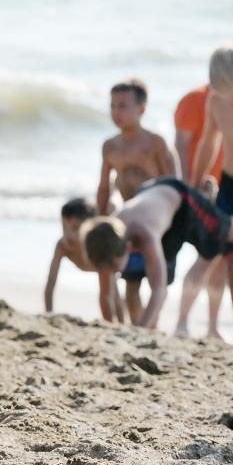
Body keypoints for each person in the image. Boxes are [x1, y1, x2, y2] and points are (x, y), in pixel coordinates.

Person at [82, 177, 233, 328]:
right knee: (162, 257)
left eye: (115, 268)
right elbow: (106, 294)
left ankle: (202, 199)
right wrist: (110, 325)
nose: (112, 272)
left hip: (179, 197)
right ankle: (204, 197)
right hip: (149, 196)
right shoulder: (104, 237)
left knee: (228, 233)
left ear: (129, 246)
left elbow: (159, 290)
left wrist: (139, 330)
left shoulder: (146, 234)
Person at [97, 79, 178, 322]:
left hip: (158, 224)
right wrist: (100, 221)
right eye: (112, 106)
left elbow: (174, 184)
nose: (116, 112)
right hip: (128, 225)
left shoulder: (155, 143)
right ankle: (138, 330)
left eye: (123, 106)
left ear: (141, 109)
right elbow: (104, 186)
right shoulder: (110, 147)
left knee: (157, 283)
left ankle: (150, 327)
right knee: (131, 287)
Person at [189, 43, 233, 339]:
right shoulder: (215, 101)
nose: (232, 98)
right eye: (224, 90)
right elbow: (208, 144)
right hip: (231, 186)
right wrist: (195, 185)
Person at [173, 83, 226, 338]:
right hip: (202, 190)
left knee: (222, 261)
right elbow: (182, 144)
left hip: (230, 192)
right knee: (207, 258)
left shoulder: (232, 101)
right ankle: (182, 322)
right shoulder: (195, 99)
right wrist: (189, 185)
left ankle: (212, 327)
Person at [43, 198, 124, 322]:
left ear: (89, 228)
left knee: (112, 290)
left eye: (75, 228)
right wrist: (49, 314)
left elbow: (107, 295)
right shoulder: (62, 246)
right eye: (64, 227)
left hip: (108, 262)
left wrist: (113, 324)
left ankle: (122, 320)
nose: (68, 234)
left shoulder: (97, 249)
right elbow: (51, 282)